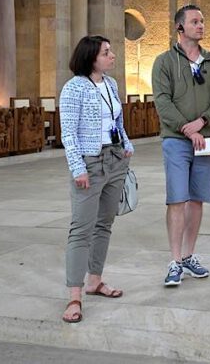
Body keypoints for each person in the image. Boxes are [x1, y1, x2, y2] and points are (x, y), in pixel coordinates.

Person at [152, 4, 210, 286]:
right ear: (180, 27)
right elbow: (162, 100)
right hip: (176, 140)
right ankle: (173, 261)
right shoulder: (164, 61)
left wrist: (203, 122)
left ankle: (188, 255)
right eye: (195, 21)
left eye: (202, 21)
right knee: (177, 199)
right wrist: (187, 127)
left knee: (196, 200)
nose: (201, 25)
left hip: (206, 139)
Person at [59, 36, 134, 323]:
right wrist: (77, 168)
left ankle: (95, 280)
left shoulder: (111, 85)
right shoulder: (74, 88)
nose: (112, 55)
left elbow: (118, 122)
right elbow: (68, 133)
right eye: (106, 52)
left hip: (115, 159)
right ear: (91, 57)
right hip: (89, 163)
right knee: (81, 228)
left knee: (105, 224)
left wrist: (126, 146)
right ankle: (74, 296)